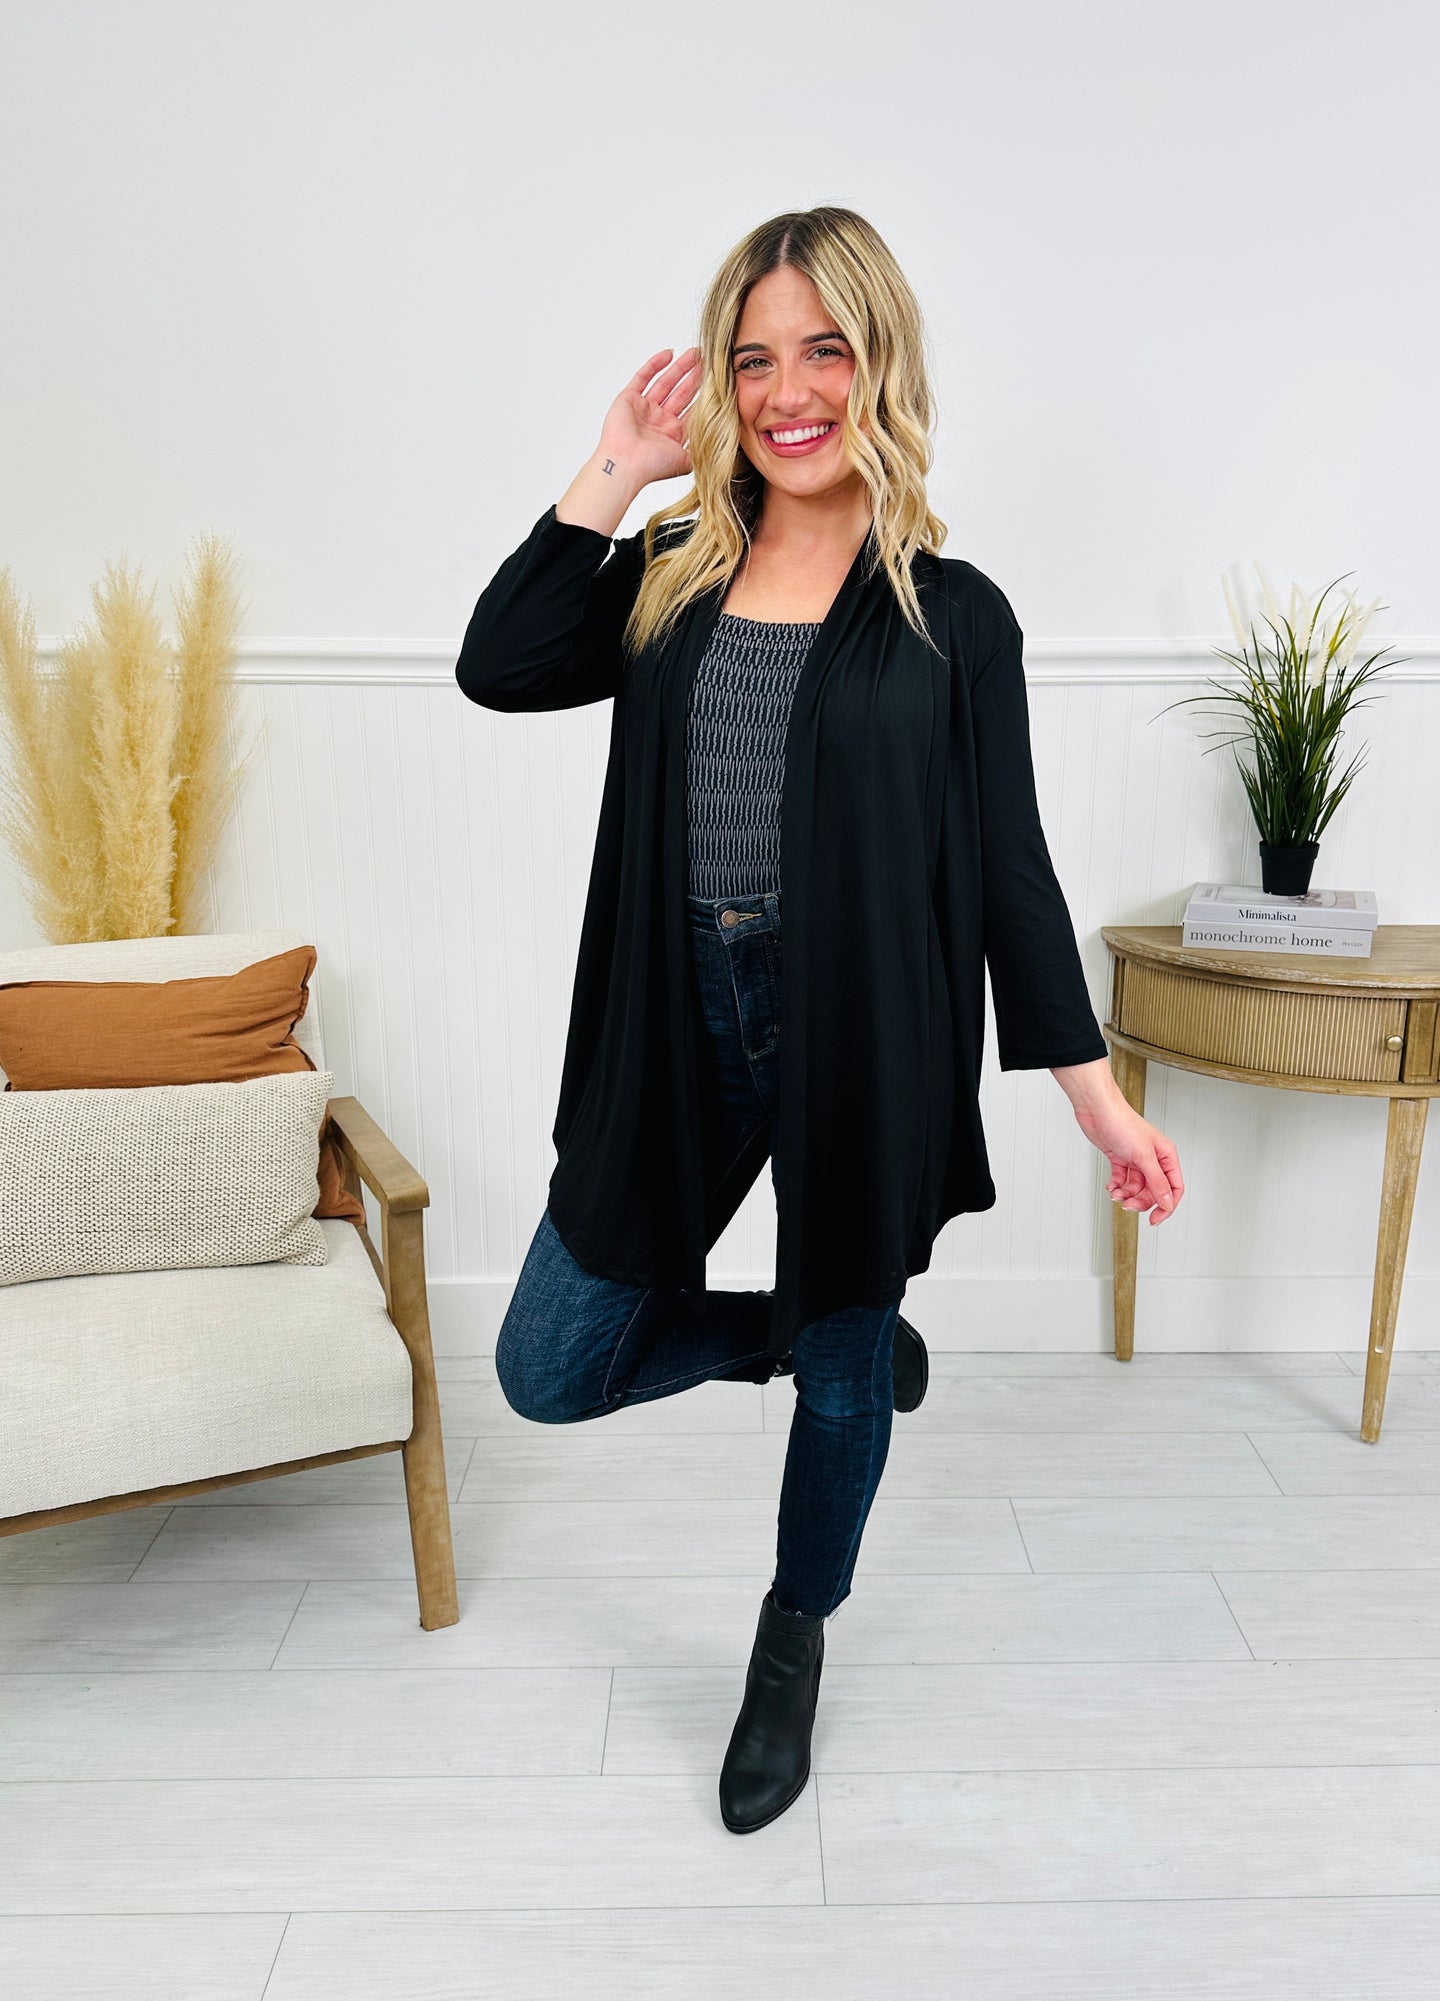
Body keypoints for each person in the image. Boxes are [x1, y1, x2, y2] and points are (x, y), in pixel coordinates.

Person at [455, 206, 1184, 1837]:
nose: (789, 393)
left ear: (882, 364)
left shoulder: (953, 614)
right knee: (548, 1365)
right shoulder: (670, 572)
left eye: (825, 350)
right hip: (677, 1017)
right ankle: (784, 1331)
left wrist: (1098, 1099)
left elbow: (1010, 872)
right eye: (754, 358)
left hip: (866, 1028)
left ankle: (790, 1643)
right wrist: (615, 468)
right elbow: (498, 665)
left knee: (847, 1365)